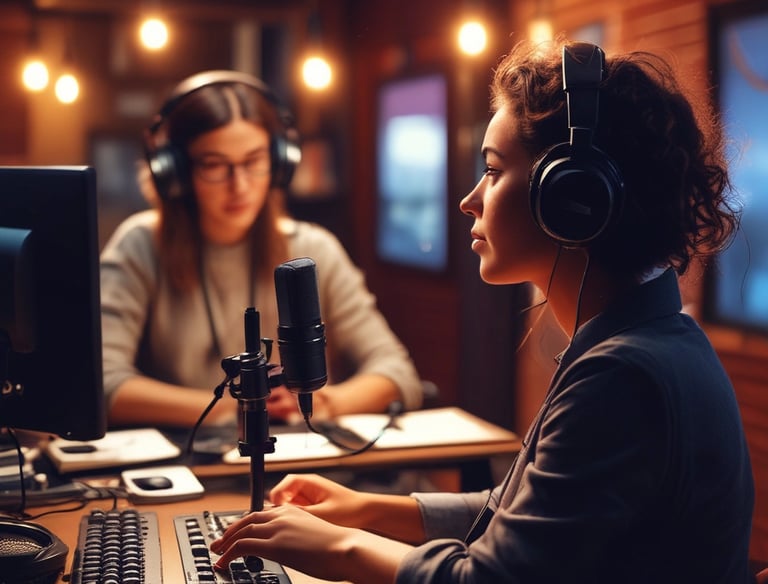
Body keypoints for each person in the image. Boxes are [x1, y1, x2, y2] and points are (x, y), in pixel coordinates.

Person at [208, 40, 755, 583]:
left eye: (492, 171)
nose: (469, 199)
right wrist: (366, 510)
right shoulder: (646, 340)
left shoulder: (624, 375)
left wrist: (345, 547)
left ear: (570, 198)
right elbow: (520, 515)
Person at [100, 70, 423, 429]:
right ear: (174, 171)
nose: (239, 185)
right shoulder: (139, 246)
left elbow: (397, 373)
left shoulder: (313, 249)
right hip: (189, 472)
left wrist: (327, 401)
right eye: (214, 165)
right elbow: (102, 383)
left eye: (253, 161)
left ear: (279, 162)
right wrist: (235, 409)